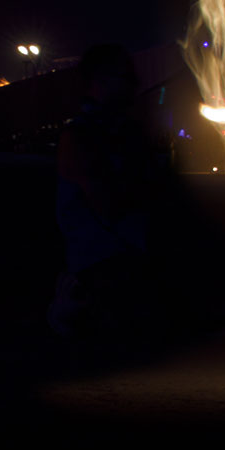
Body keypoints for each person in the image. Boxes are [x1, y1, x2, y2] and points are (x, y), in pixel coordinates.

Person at [50, 44, 170, 353]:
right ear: (100, 80)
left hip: (110, 268)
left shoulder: (113, 133)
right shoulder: (84, 137)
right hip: (102, 274)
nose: (134, 83)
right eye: (125, 76)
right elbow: (109, 206)